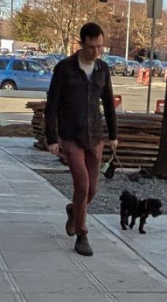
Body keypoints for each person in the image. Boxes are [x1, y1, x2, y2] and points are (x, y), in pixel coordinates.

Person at [45, 22, 118, 257]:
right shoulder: (65, 68)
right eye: (92, 47)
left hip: (95, 136)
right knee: (82, 184)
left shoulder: (102, 69)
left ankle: (74, 211)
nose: (97, 52)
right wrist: (52, 138)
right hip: (71, 136)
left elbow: (108, 103)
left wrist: (113, 135)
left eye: (100, 47)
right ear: (82, 44)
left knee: (93, 189)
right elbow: (52, 105)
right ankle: (82, 234)